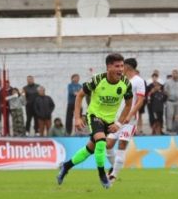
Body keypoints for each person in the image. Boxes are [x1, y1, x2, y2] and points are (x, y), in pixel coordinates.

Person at [57, 53, 133, 189]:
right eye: (117, 66)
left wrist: (118, 124)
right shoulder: (97, 80)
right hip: (94, 116)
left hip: (110, 120)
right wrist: (77, 118)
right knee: (101, 142)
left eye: (122, 66)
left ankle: (66, 166)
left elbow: (128, 105)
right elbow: (80, 95)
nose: (121, 69)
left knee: (89, 150)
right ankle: (102, 175)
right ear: (108, 67)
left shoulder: (126, 83)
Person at [106, 58, 145, 182]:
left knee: (122, 144)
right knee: (108, 145)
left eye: (122, 66)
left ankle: (113, 177)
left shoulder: (138, 81)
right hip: (118, 118)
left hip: (130, 120)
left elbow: (140, 101)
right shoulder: (121, 80)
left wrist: (130, 115)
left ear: (128, 67)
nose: (121, 68)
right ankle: (114, 167)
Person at [164, 69, 178, 133]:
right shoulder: (168, 81)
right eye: (173, 73)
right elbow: (165, 89)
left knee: (177, 116)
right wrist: (168, 94)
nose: (174, 74)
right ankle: (169, 129)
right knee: (170, 115)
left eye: (175, 73)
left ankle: (176, 129)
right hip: (170, 101)